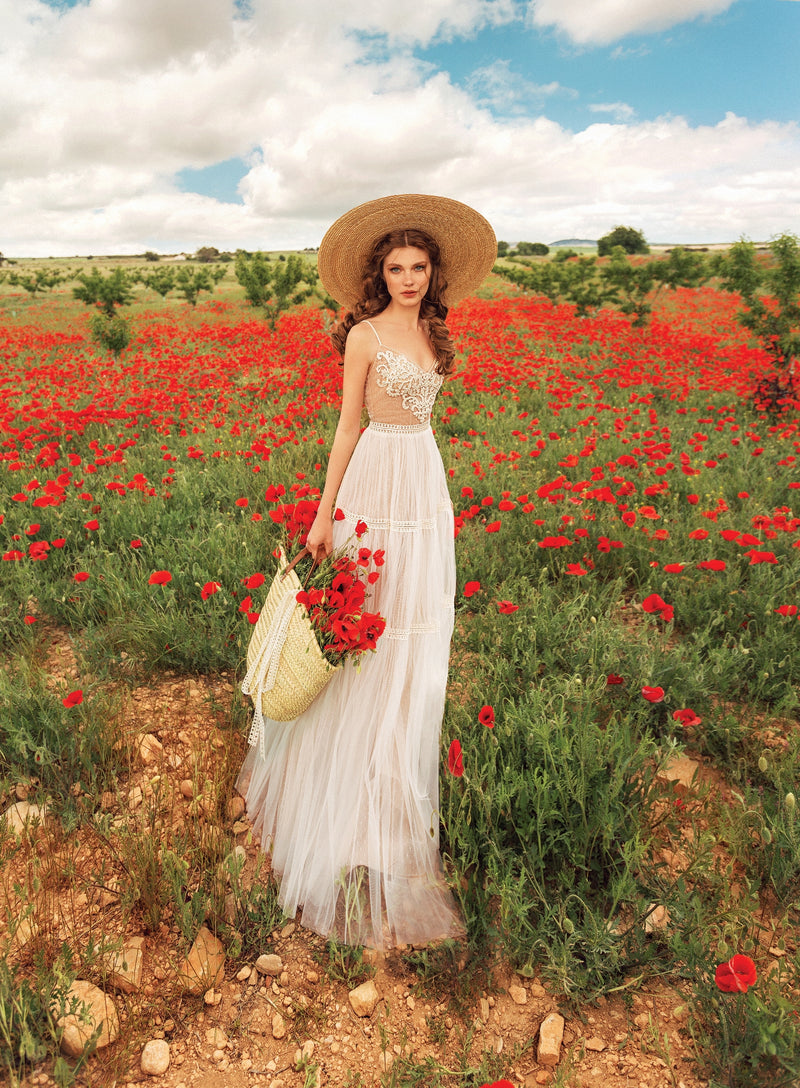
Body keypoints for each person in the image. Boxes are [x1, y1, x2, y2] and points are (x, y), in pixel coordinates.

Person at [237, 194, 496, 949]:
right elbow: (348, 424)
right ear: (378, 275)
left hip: (423, 482)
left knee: (415, 635)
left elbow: (422, 423)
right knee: (363, 639)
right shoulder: (364, 335)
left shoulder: (436, 334)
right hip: (373, 482)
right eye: (396, 268)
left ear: (432, 273)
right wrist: (324, 514)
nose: (409, 278)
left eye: (418, 268)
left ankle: (393, 797)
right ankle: (344, 804)